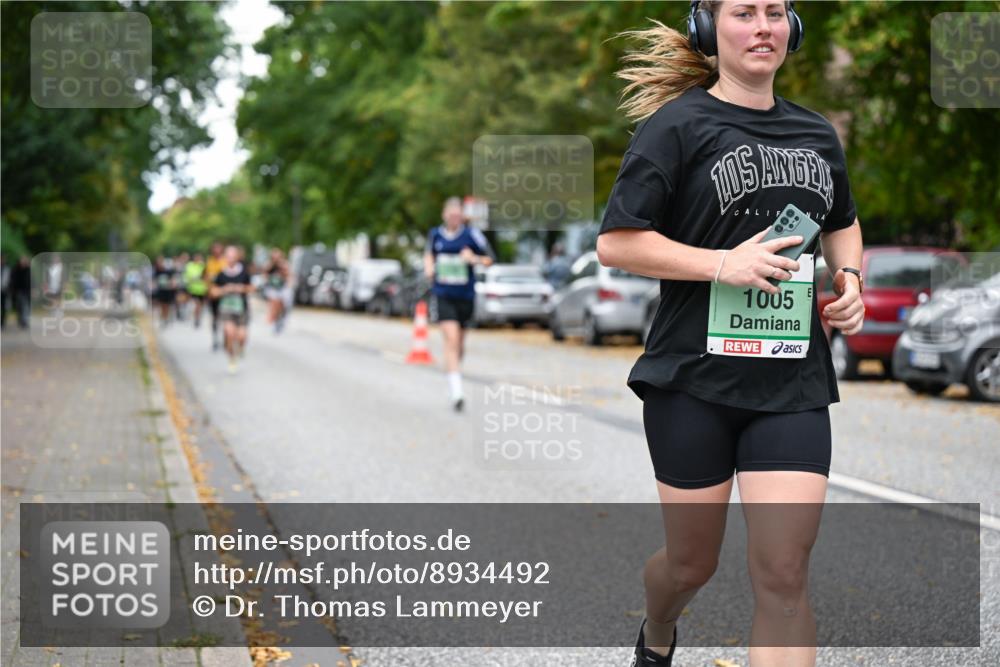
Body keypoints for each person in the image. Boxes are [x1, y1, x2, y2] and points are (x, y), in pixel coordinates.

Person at [598, 3, 865, 666]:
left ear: (793, 30)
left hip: (793, 381)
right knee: (691, 565)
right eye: (744, 12)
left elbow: (841, 220)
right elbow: (617, 243)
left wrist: (850, 276)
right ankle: (658, 628)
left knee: (783, 573)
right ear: (708, 31)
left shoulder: (816, 133)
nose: (763, 25)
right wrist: (723, 263)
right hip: (693, 383)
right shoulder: (676, 127)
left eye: (776, 12)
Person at [423, 196, 495, 411]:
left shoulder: (472, 234)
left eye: (458, 216)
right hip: (443, 294)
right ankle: (457, 392)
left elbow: (490, 259)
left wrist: (474, 258)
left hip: (465, 296)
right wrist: (429, 268)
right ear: (445, 215)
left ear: (462, 217)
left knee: (459, 345)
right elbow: (429, 255)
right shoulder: (435, 235)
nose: (455, 219)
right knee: (451, 340)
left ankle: (454, 376)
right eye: (451, 215)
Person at [210, 245, 253, 374]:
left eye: (233, 256)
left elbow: (251, 288)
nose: (231, 259)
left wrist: (241, 289)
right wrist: (225, 289)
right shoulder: (221, 274)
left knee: (241, 337)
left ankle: (239, 349)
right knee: (229, 333)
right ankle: (231, 358)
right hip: (226, 309)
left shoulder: (244, 272)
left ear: (237, 257)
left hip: (241, 309)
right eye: (228, 256)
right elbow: (212, 292)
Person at [262, 247, 291, 333]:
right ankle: (273, 319)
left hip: (282, 287)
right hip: (272, 288)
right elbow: (265, 272)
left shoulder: (284, 264)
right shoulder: (270, 264)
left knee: (283, 303)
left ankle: (280, 317)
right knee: (274, 302)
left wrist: (281, 265)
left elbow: (288, 274)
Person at [204, 242, 226, 350]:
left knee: (224, 316)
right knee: (214, 317)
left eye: (218, 249)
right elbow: (205, 276)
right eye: (215, 249)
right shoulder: (209, 262)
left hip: (224, 294)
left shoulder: (225, 261)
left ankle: (225, 337)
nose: (216, 251)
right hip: (212, 294)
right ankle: (215, 337)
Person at [184, 253, 208, 328]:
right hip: (192, 289)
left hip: (202, 289)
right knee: (196, 304)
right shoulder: (189, 266)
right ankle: (196, 318)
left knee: (200, 305)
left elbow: (206, 276)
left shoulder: (203, 266)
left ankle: (197, 317)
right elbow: (187, 277)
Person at [152, 256, 177, 328]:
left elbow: (173, 280)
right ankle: (163, 318)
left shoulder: (168, 271)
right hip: (160, 291)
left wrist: (172, 285)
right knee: (161, 305)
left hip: (167, 291)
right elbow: (154, 282)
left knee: (167, 306)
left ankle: (165, 318)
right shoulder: (156, 272)